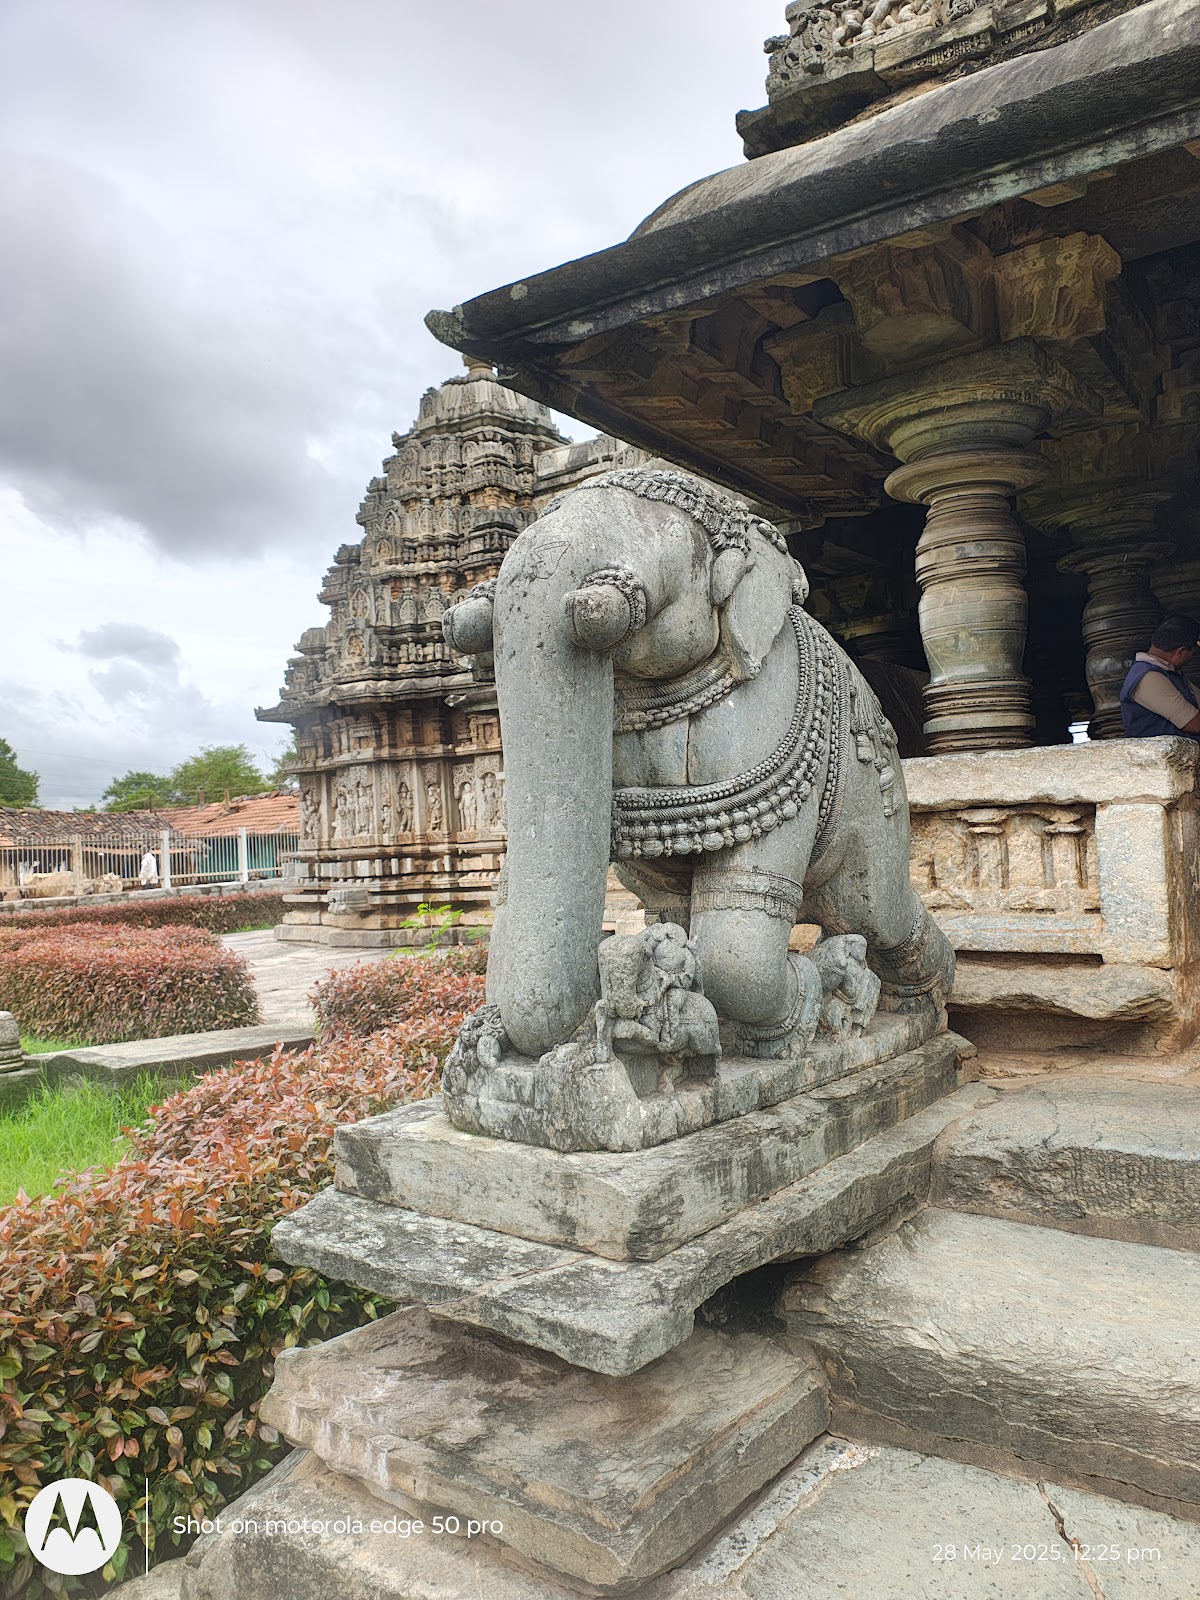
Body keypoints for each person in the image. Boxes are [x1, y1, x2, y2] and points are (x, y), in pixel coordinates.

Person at [1120, 616, 1200, 739]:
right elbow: (1193, 724)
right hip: (1165, 757)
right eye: (1192, 654)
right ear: (1180, 652)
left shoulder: (1171, 674)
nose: (1191, 659)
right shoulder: (1148, 678)